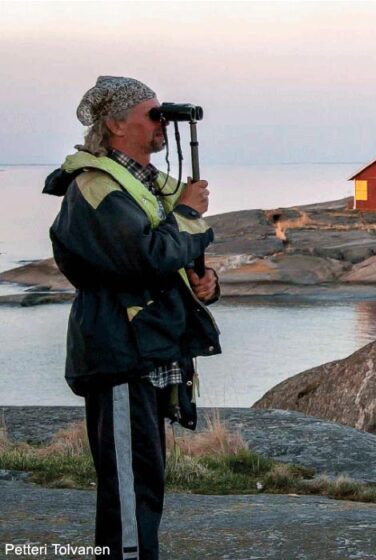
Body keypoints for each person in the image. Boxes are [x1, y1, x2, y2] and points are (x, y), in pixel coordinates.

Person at [43, 76, 221, 560]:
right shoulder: (96, 188)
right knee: (129, 485)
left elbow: (167, 257)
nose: (162, 123)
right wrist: (186, 212)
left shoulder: (141, 185)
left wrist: (206, 283)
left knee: (143, 478)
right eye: (152, 114)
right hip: (121, 352)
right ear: (117, 124)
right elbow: (143, 257)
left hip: (148, 349)